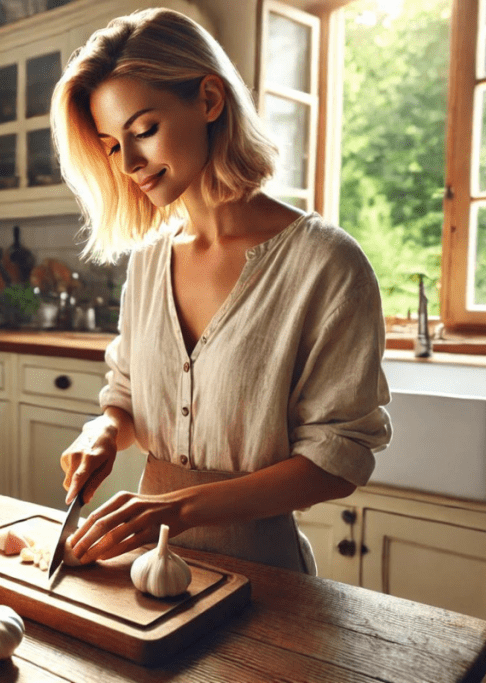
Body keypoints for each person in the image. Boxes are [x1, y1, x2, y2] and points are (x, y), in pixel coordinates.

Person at [49, 7, 392, 574]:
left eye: (143, 131)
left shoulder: (326, 264)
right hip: (138, 568)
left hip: (265, 579)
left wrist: (179, 508)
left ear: (210, 100)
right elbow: (128, 394)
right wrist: (105, 429)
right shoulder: (149, 259)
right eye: (112, 145)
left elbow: (338, 459)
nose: (130, 163)